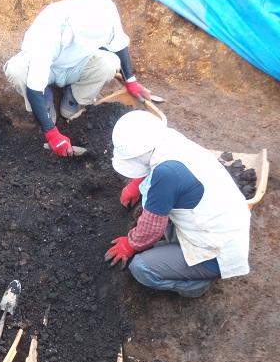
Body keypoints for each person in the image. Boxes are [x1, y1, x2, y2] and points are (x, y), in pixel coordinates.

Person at [104, 111, 251, 298]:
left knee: (141, 268)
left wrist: (130, 245)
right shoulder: (169, 140)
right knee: (162, 221)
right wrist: (136, 185)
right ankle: (178, 255)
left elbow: (151, 231)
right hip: (225, 222)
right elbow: (157, 169)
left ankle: (195, 286)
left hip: (215, 251)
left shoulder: (166, 175)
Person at [4, 0, 151, 157]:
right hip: (49, 68)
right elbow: (34, 87)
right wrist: (52, 134)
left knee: (109, 64)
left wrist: (130, 81)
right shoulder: (49, 28)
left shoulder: (104, 9)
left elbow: (119, 45)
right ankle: (45, 101)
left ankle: (74, 96)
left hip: (78, 64)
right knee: (16, 70)